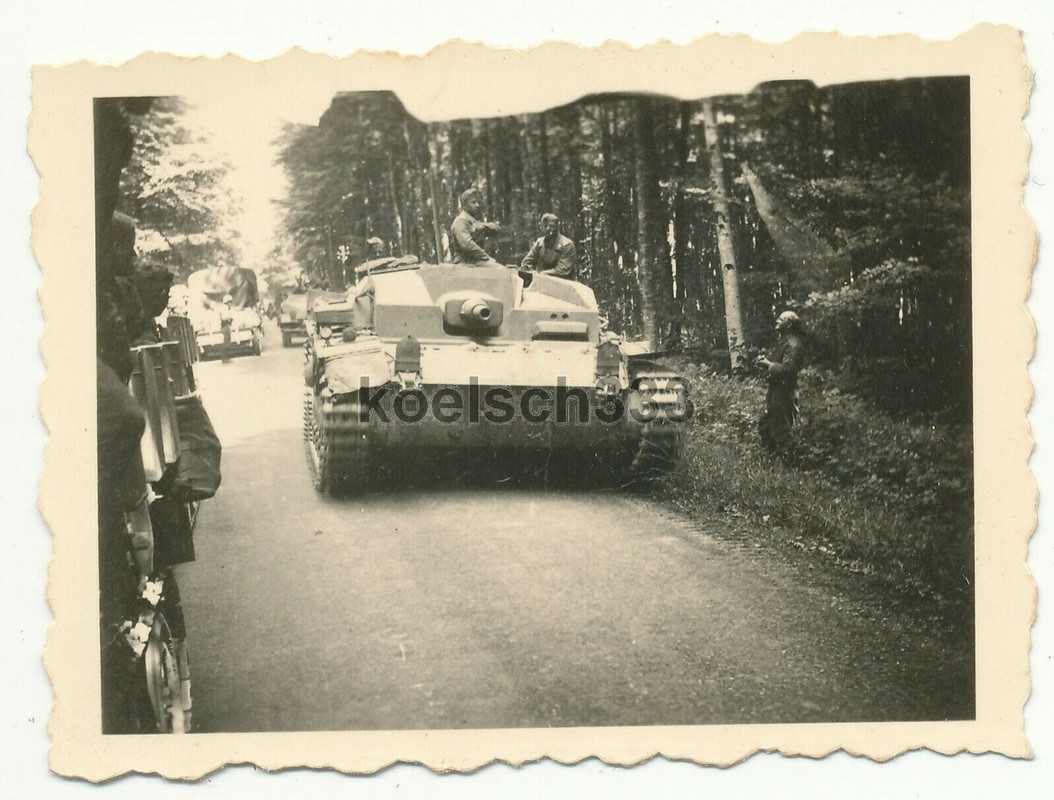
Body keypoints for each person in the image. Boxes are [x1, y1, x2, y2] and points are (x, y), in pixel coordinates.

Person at [756, 310, 805, 451]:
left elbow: (789, 370)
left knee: (782, 431)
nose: (777, 320)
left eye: (781, 318)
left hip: (784, 393)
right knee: (766, 425)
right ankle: (774, 461)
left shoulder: (793, 344)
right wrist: (765, 364)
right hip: (777, 391)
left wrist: (769, 365)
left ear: (789, 324)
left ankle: (792, 465)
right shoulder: (784, 342)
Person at [449, 188, 501, 265]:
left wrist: (482, 226)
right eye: (473, 202)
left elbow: (496, 229)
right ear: (464, 205)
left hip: (476, 261)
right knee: (499, 271)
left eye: (478, 202)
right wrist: (487, 258)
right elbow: (467, 245)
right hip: (465, 263)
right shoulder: (460, 221)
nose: (477, 205)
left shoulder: (473, 221)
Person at [521, 213, 578, 280]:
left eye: (551, 226)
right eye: (545, 226)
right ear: (541, 227)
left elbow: (562, 271)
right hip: (542, 284)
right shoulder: (540, 243)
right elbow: (526, 263)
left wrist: (539, 274)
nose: (548, 229)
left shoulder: (567, 245)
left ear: (557, 227)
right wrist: (532, 272)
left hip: (563, 285)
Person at [219, 294, 234, 363]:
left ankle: (226, 358)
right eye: (230, 302)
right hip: (225, 326)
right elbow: (224, 317)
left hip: (226, 326)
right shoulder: (224, 308)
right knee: (226, 342)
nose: (231, 304)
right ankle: (224, 358)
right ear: (228, 302)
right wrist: (230, 317)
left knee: (227, 342)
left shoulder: (225, 308)